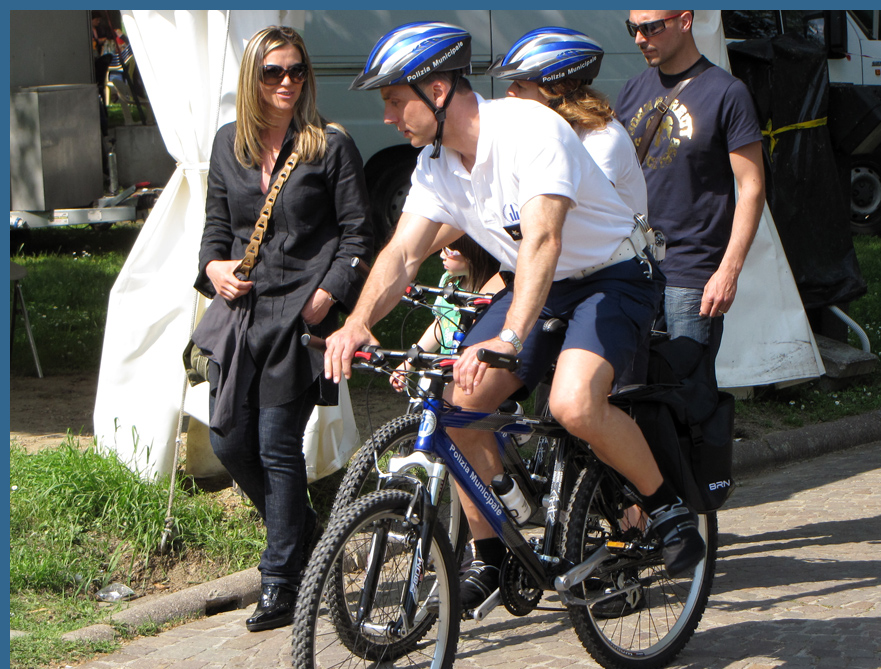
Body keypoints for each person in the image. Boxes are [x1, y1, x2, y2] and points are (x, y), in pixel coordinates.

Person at [325, 21, 706, 611]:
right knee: (455, 404)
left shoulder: (530, 128)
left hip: (613, 275)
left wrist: (508, 335)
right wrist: (355, 322)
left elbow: (543, 240)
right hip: (543, 288)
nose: (388, 117)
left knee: (573, 404)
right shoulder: (436, 164)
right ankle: (492, 555)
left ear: (439, 88)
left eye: (396, 100)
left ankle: (665, 507)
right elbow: (402, 253)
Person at [194, 26, 373, 631]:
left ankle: (280, 580)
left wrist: (329, 296)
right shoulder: (229, 146)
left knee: (275, 444)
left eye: (296, 70)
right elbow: (215, 233)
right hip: (243, 318)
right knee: (227, 442)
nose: (288, 82)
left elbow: (358, 235)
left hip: (301, 314)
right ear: (252, 78)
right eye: (274, 72)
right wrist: (215, 268)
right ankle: (305, 538)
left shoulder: (330, 146)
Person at [616, 10, 765, 366]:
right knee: (633, 388)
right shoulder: (632, 90)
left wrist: (728, 271)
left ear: (684, 21)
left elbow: (753, 188)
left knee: (687, 391)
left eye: (651, 27)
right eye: (634, 29)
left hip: (692, 272)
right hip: (635, 267)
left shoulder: (727, 92)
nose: (640, 39)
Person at [488, 27, 647, 218]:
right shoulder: (547, 132)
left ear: (555, 91)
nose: (509, 92)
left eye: (520, 86)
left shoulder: (601, 139)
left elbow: (582, 216)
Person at [389, 234, 500, 391]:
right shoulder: (448, 280)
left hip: (474, 376)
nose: (442, 255)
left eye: (448, 249)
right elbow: (440, 325)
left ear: (471, 252)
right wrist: (410, 362)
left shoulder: (492, 293)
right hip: (446, 368)